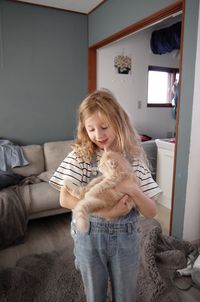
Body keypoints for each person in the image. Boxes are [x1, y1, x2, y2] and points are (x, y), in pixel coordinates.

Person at [49, 89, 161, 302]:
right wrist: (108, 211)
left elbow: (151, 211)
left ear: (119, 123)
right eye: (91, 129)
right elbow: (64, 198)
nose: (98, 135)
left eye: (104, 127)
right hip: (89, 237)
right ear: (84, 129)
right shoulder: (81, 155)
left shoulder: (134, 158)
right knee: (94, 295)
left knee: (126, 295)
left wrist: (133, 190)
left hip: (126, 239)